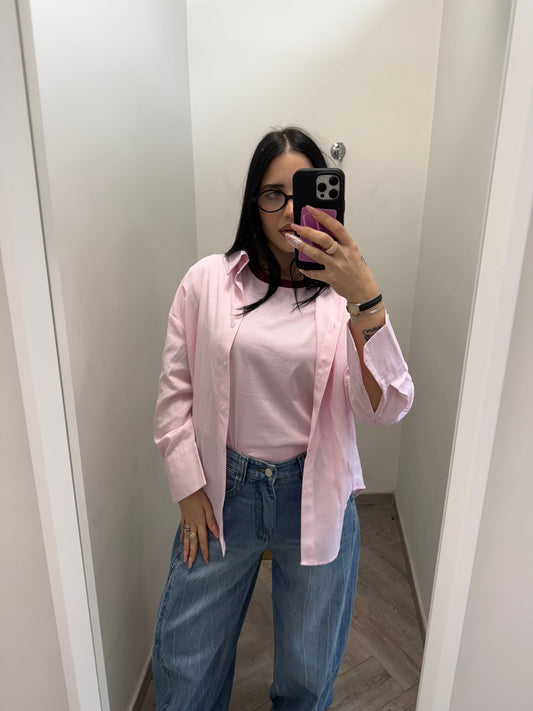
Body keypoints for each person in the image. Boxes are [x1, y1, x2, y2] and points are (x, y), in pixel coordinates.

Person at [151, 126, 414, 711]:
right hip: (223, 491)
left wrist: (366, 299)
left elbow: (386, 406)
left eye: (304, 192)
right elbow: (176, 387)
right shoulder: (208, 281)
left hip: (316, 491)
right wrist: (186, 484)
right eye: (275, 194)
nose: (291, 210)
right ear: (255, 201)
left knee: (307, 671)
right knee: (187, 659)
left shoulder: (343, 297)